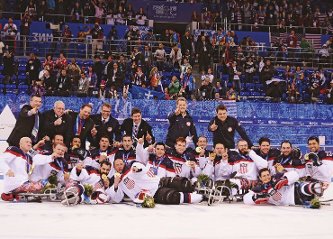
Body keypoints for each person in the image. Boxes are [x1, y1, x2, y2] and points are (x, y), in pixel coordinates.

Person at [106, 161, 203, 206]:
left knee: (181, 183)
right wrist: (115, 185)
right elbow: (117, 198)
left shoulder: (131, 169)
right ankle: (201, 197)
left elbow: (139, 167)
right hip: (154, 194)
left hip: (159, 181)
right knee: (174, 197)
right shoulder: (118, 183)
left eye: (121, 164)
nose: (119, 166)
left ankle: (198, 189)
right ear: (114, 167)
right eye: (117, 165)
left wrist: (136, 168)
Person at [0, 137, 64, 201]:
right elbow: (1, 159)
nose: (29, 144)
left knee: (45, 183)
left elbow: (39, 158)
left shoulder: (29, 157)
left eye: (30, 142)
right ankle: (12, 194)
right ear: (20, 143)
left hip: (24, 183)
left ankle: (13, 195)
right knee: (41, 186)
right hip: (15, 183)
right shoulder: (14, 150)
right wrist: (7, 170)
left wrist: (51, 157)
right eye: (26, 142)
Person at [243, 168, 325, 207]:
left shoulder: (276, 177)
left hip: (296, 188)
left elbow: (295, 174)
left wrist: (285, 179)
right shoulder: (259, 188)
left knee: (309, 188)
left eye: (268, 175)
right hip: (294, 201)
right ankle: (314, 193)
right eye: (264, 176)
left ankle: (314, 188)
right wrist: (255, 198)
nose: (267, 177)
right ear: (260, 178)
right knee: (308, 197)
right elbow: (246, 198)